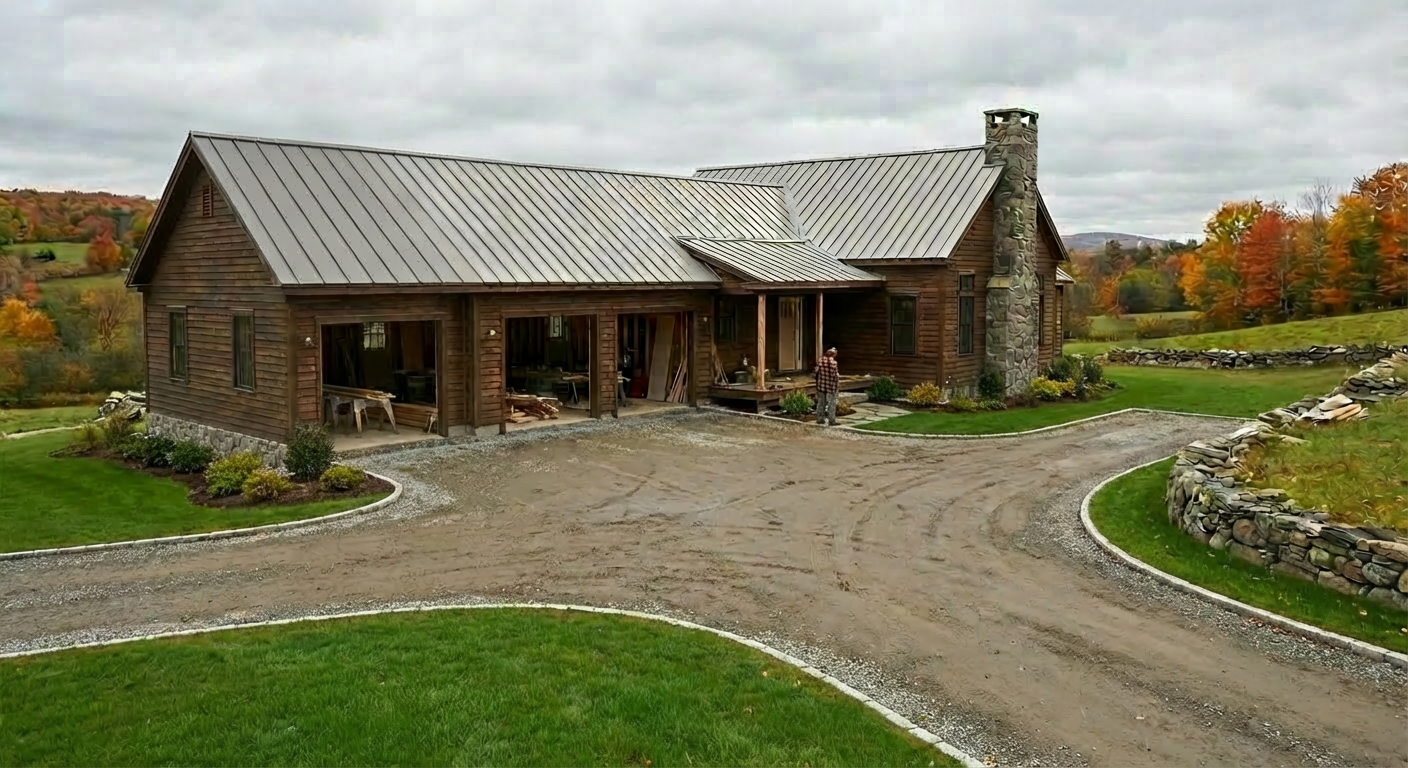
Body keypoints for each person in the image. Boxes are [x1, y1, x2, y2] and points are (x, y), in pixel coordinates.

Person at [814, 347, 840, 426]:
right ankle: (831, 420)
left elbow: (816, 372)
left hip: (821, 386)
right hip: (831, 386)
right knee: (831, 403)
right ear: (833, 354)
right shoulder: (834, 363)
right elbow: (835, 375)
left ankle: (819, 419)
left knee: (821, 402)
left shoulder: (820, 361)